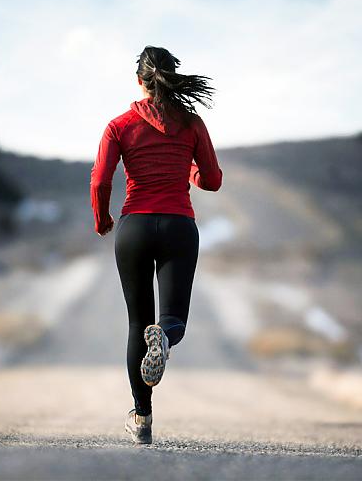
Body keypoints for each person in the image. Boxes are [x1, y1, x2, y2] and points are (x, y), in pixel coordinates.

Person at [90, 46, 223, 445]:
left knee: (135, 323)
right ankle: (164, 336)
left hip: (134, 227)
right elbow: (212, 180)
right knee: (171, 319)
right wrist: (192, 170)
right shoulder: (192, 123)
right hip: (179, 225)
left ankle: (142, 416)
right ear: (172, 77)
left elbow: (100, 179)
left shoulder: (119, 125)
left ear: (139, 81)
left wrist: (102, 219)